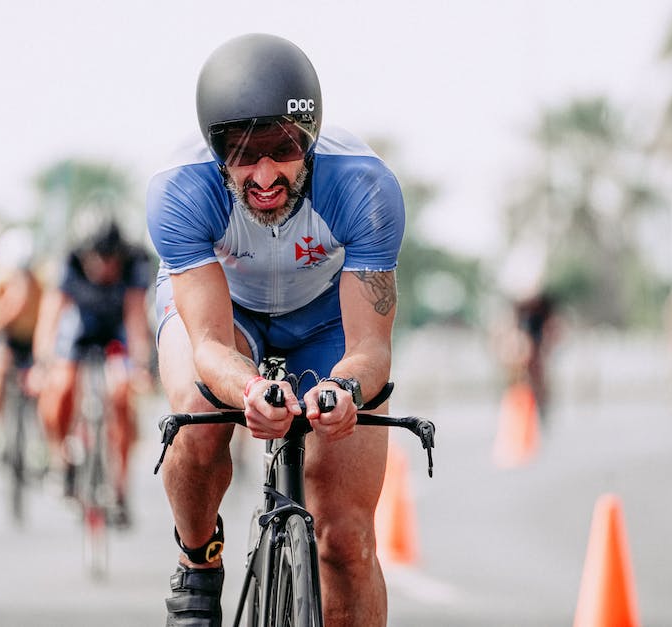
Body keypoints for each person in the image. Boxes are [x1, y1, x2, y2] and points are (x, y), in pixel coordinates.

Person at [146, 34, 405, 627]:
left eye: (282, 148)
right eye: (241, 152)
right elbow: (208, 343)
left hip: (326, 320)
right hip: (227, 314)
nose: (264, 175)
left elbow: (369, 347)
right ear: (215, 151)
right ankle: (197, 560)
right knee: (197, 407)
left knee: (346, 541)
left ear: (309, 138)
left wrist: (348, 392)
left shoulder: (363, 187)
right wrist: (246, 391)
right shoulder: (180, 189)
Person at [31, 211, 153, 527]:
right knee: (59, 389)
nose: (103, 266)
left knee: (123, 393)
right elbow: (51, 316)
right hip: (80, 327)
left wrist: (139, 365)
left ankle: (120, 488)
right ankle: (61, 461)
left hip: (116, 330)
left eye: (110, 258)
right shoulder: (68, 262)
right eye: (96, 259)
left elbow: (136, 318)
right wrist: (42, 363)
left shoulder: (135, 262)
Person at [0, 227, 43, 424]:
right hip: (3, 338)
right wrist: (13, 305)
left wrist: (41, 361)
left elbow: (49, 322)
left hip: (33, 339)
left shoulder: (42, 278)